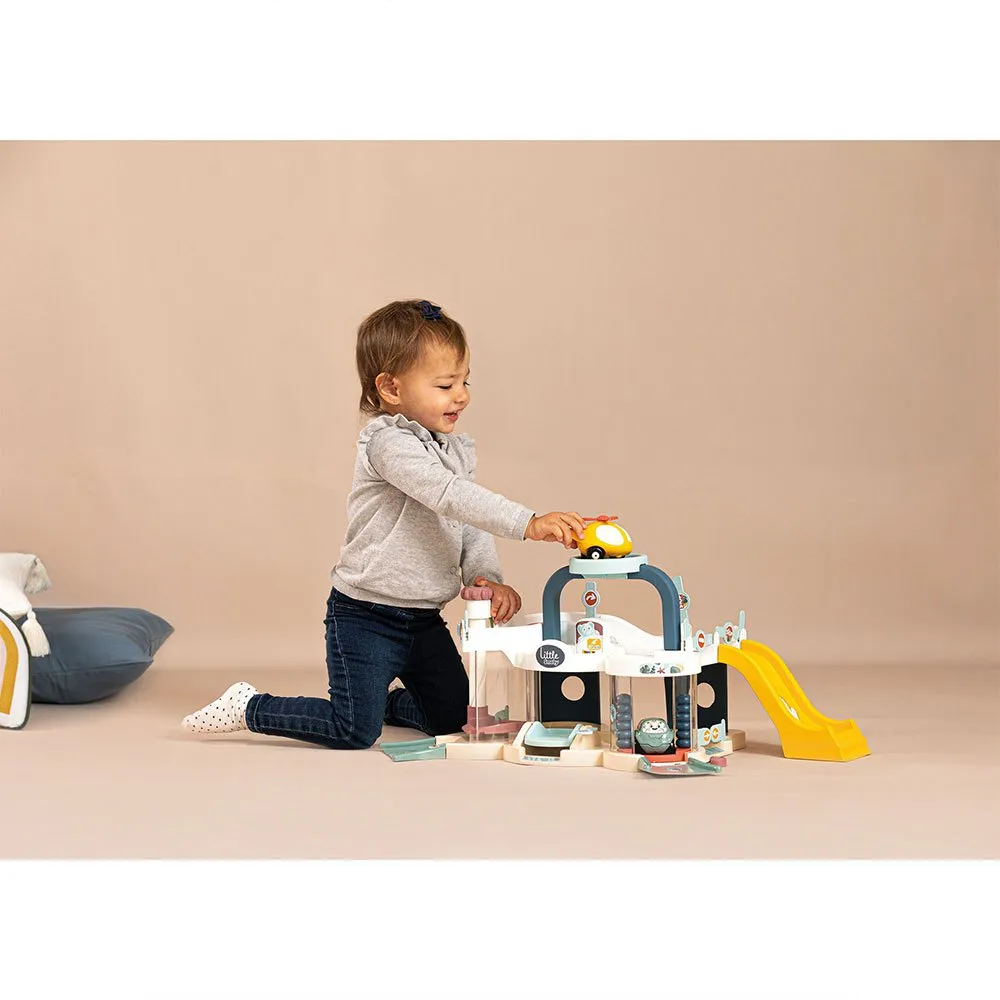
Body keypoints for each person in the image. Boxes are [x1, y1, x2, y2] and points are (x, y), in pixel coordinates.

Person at [181, 299, 585, 749]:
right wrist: (528, 523)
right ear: (391, 388)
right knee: (353, 730)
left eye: (464, 381)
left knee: (454, 721)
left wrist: (485, 577)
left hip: (424, 620)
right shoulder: (387, 444)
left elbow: (468, 521)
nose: (462, 395)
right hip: (366, 616)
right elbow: (448, 495)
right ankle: (249, 706)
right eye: (445, 384)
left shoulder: (452, 451)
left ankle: (386, 702)